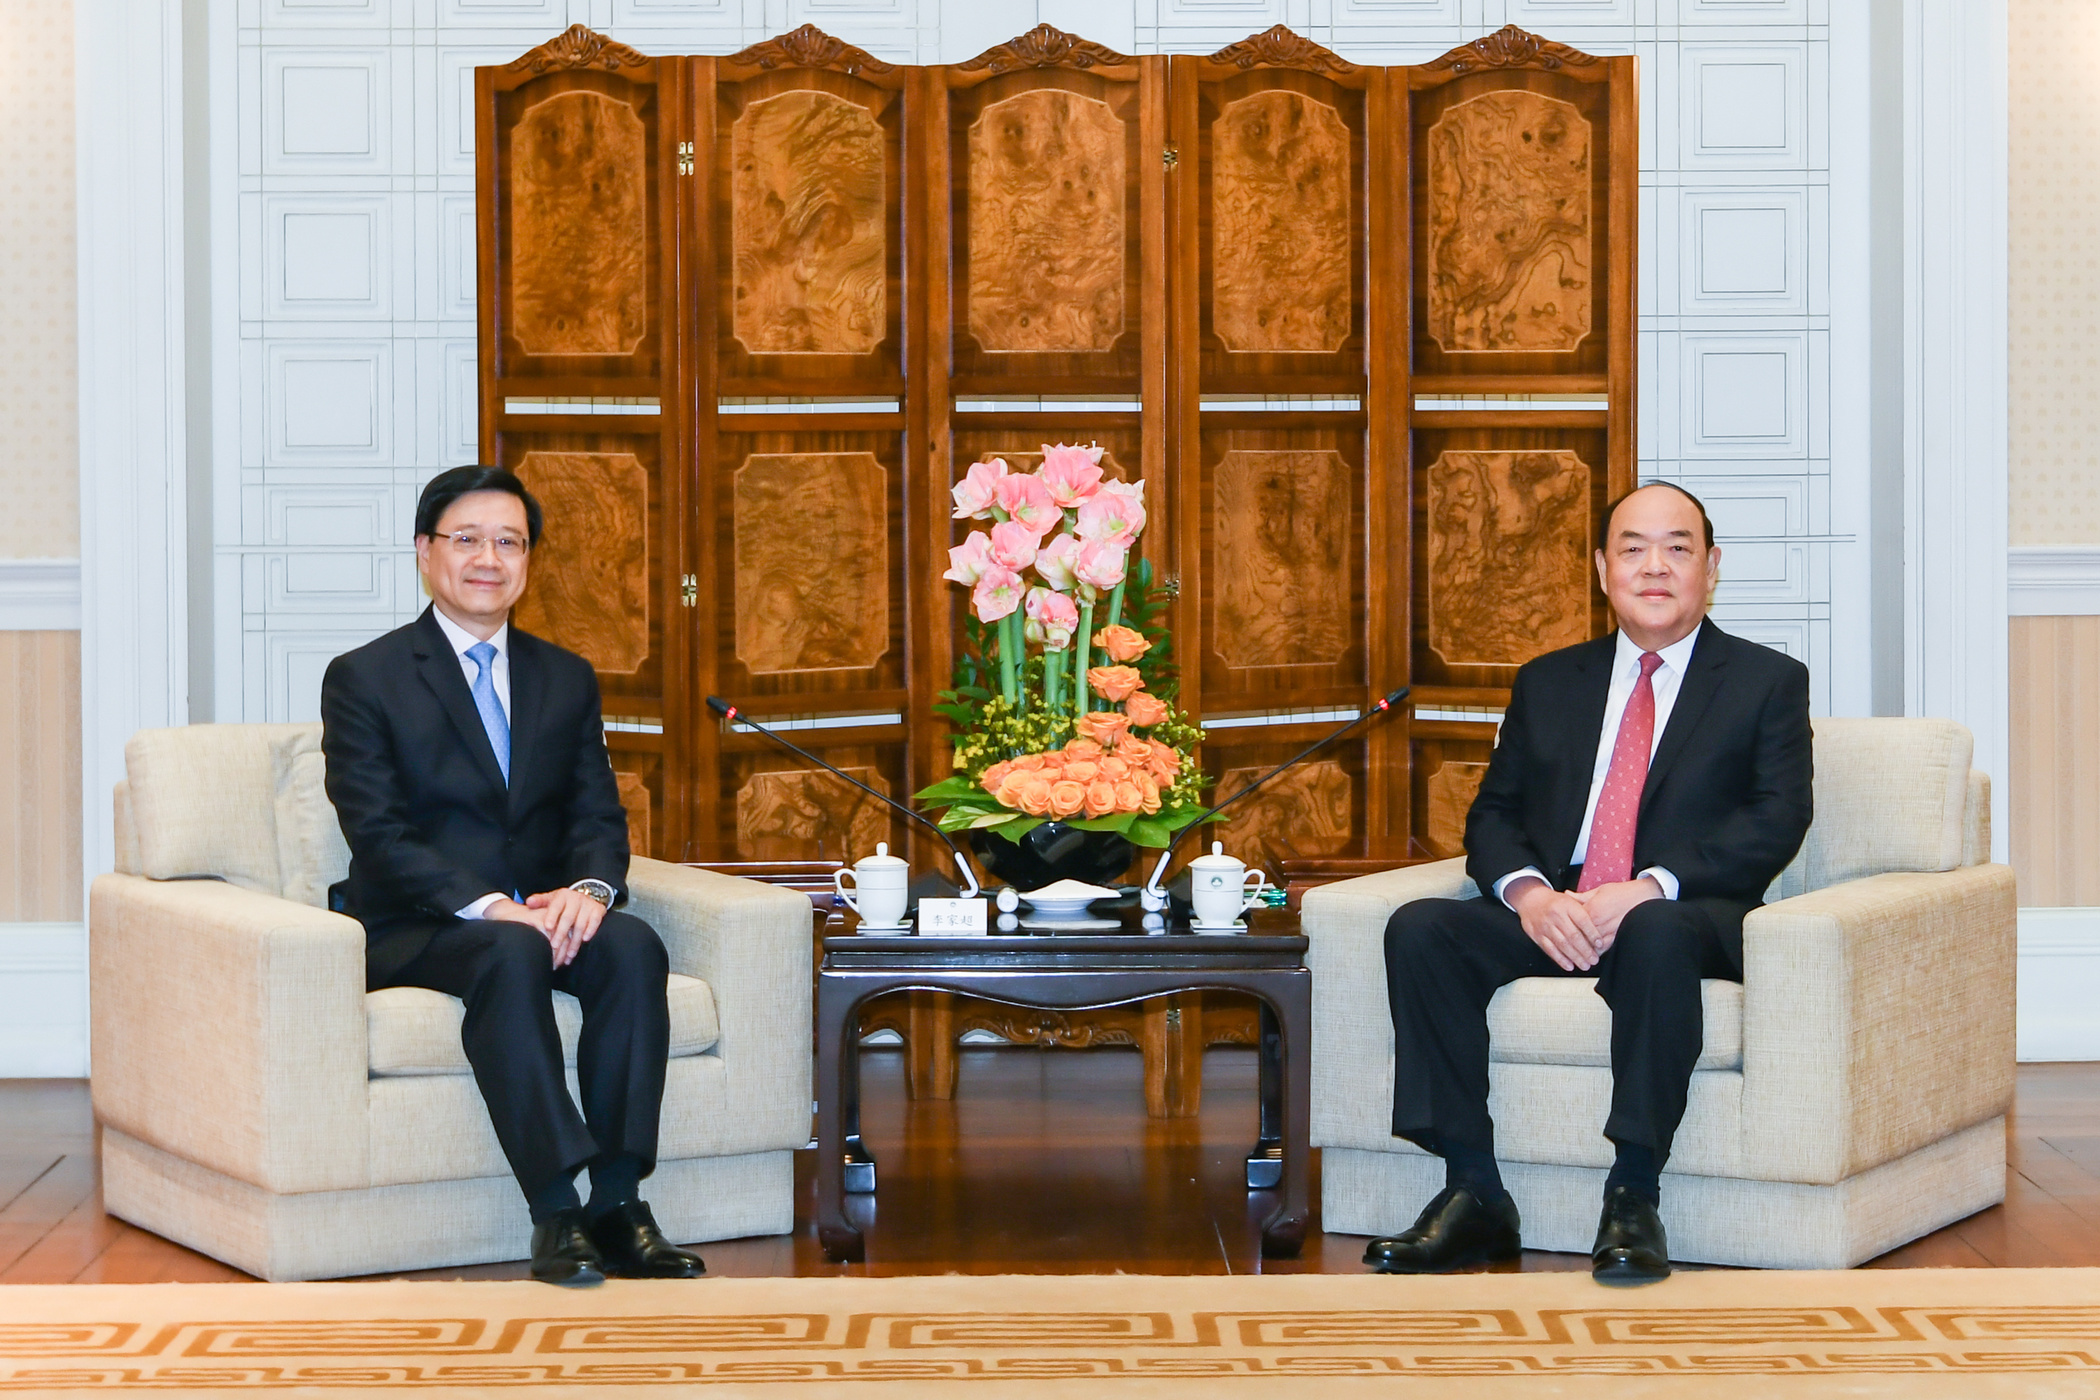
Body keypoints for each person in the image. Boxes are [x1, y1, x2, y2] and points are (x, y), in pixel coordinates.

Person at [1366, 482, 1812, 1285]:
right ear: (1603, 569)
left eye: (1678, 549)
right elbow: (1493, 816)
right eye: (1633, 549)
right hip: (1563, 908)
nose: (1655, 567)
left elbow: (1777, 820)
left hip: (1685, 912)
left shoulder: (1765, 682)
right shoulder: (1550, 681)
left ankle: (1633, 1192)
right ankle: (1473, 1189)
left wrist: (1650, 886)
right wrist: (1531, 896)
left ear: (1711, 568)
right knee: (1420, 927)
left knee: (1654, 931)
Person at [321, 466, 703, 1288]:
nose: (488, 557)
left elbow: (597, 816)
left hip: (540, 912)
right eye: (467, 539)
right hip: (417, 924)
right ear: (426, 553)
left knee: (634, 949)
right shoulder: (365, 677)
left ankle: (618, 1200)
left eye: (509, 541)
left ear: (528, 560)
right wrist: (494, 908)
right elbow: (378, 834)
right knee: (508, 953)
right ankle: (554, 1208)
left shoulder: (564, 677)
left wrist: (588, 892)